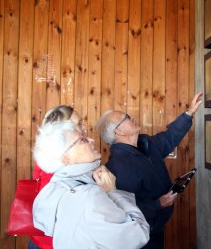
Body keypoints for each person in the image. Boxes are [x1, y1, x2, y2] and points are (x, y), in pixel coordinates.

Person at [95, 93, 202, 248]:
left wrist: (188, 113)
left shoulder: (144, 143)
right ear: (118, 132)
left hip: (157, 226)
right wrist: (158, 204)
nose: (132, 117)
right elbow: (123, 209)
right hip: (143, 236)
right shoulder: (118, 166)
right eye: (126, 118)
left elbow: (168, 138)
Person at [32, 120, 150, 248]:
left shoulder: (53, 189)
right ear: (66, 159)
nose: (91, 140)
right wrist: (113, 192)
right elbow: (139, 235)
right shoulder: (87, 197)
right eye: (82, 140)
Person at [30, 105, 85, 249]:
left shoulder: (49, 155)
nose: (82, 129)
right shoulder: (60, 162)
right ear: (61, 130)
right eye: (78, 125)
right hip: (53, 243)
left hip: (43, 240)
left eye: (81, 123)